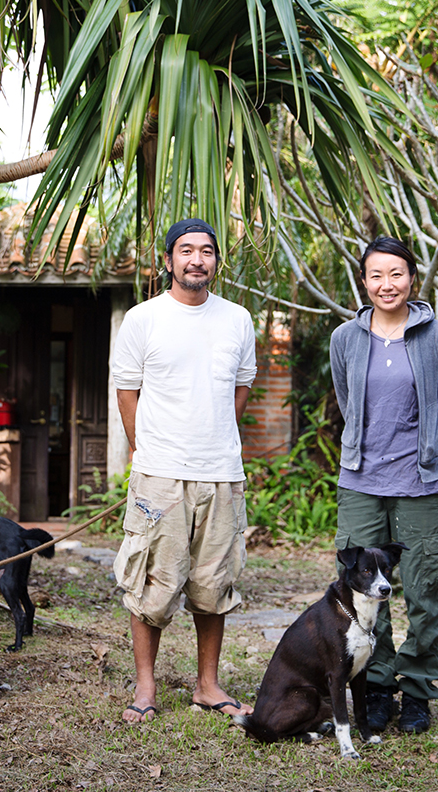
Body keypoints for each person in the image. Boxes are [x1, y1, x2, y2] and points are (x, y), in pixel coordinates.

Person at [111, 218, 258, 724]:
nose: (197, 259)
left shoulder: (238, 319)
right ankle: (146, 686)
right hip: (160, 474)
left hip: (222, 473)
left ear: (217, 261)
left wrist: (215, 437)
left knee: (213, 583)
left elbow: (241, 388)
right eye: (187, 250)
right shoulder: (143, 319)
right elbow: (126, 392)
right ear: (169, 260)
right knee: (152, 580)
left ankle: (207, 685)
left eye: (207, 251)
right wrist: (144, 448)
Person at [330, 236, 438, 735]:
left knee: (425, 587)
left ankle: (420, 689)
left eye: (397, 274)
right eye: (376, 275)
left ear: (412, 278)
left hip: (421, 480)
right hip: (362, 480)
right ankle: (379, 684)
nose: (387, 284)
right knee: (365, 589)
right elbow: (347, 401)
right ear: (364, 282)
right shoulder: (345, 338)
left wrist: (426, 447)